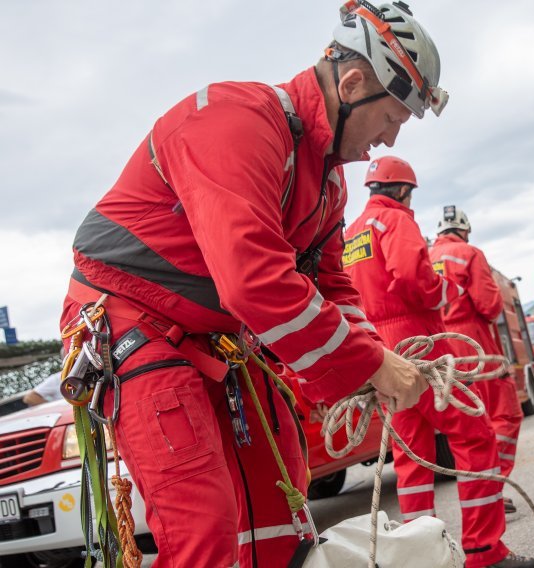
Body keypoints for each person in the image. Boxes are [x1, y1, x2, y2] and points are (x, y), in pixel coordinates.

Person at [59, 3, 447, 566]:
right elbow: (252, 279)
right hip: (131, 322)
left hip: (216, 339)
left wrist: (376, 359)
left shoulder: (327, 183)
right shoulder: (235, 122)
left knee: (280, 503)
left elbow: (331, 283)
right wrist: (371, 365)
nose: (387, 140)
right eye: (391, 118)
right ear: (353, 81)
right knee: (202, 523)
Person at [344, 158, 534, 568]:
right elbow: (415, 278)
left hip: (380, 351)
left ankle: (423, 557)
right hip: (418, 344)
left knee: (411, 455)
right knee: (475, 437)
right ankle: (487, 553)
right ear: (402, 191)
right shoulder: (395, 222)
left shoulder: (351, 234)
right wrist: (443, 293)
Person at [428, 205, 524, 512]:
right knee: (505, 416)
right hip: (475, 345)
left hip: (441, 349)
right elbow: (491, 306)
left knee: (468, 429)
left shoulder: (425, 256)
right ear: (464, 230)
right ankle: (494, 486)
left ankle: (480, 493)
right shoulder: (469, 253)